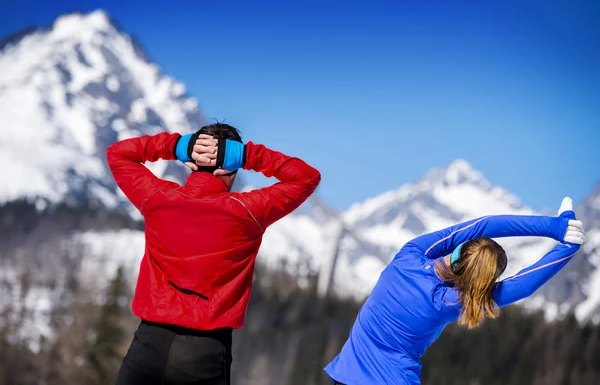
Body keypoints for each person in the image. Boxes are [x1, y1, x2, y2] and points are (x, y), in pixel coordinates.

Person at [106, 123, 321, 385]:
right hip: (204, 353)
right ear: (232, 167)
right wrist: (247, 155)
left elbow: (118, 153)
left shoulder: (157, 198)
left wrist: (176, 146)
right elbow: (306, 177)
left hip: (147, 347)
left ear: (190, 162)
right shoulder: (246, 212)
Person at [325, 197, 585, 385]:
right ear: (480, 282)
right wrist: (568, 246)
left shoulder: (410, 255)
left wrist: (552, 226)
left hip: (345, 374)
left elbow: (483, 225)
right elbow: (523, 284)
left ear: (461, 249)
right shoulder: (446, 302)